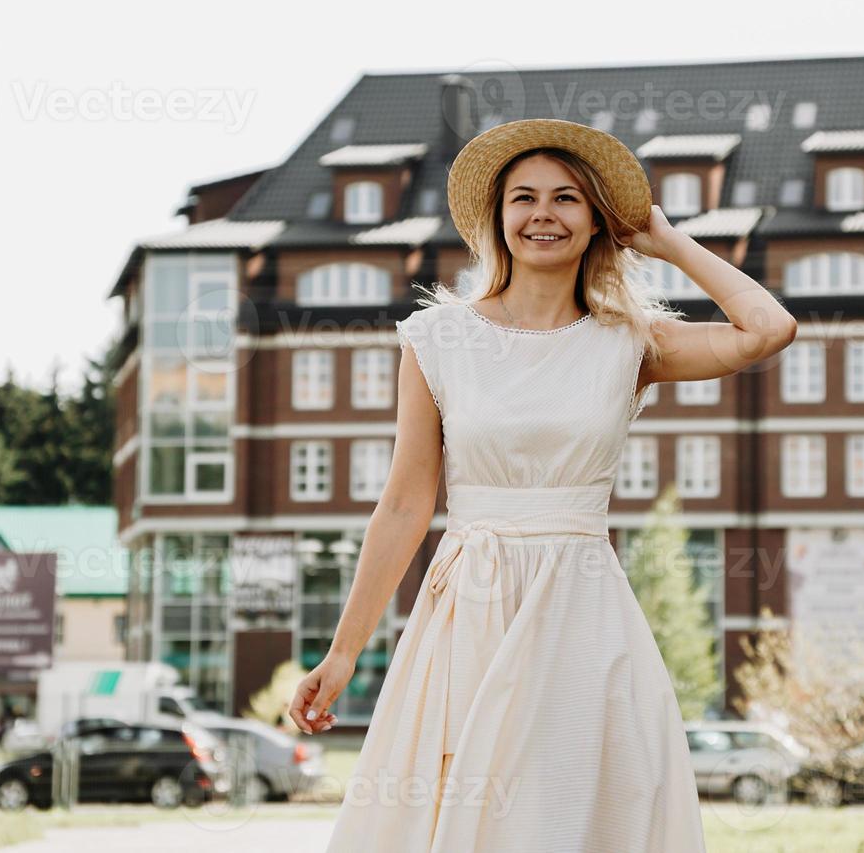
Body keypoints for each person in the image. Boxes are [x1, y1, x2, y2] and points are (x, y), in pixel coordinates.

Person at [289, 117, 798, 851]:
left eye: (566, 198)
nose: (543, 215)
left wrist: (664, 239)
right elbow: (404, 503)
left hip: (582, 609)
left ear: (596, 221)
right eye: (523, 197)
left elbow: (767, 328)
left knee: (569, 816)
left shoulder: (631, 340)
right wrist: (342, 654)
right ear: (498, 218)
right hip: (472, 610)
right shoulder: (438, 340)